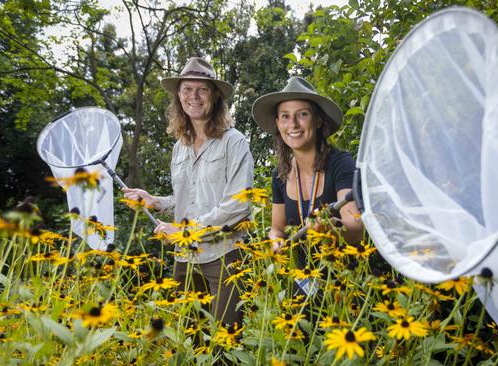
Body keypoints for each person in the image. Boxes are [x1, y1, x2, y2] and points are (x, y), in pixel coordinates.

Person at [123, 57, 253, 327]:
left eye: (201, 89)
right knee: (188, 339)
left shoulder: (235, 142)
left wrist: (186, 231)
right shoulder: (179, 148)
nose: (193, 96)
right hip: (185, 257)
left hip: (225, 255)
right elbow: (189, 201)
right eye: (186, 89)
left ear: (215, 96)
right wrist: (156, 202)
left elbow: (238, 206)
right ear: (178, 97)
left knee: (224, 342)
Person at [251, 77, 363, 263]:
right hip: (301, 279)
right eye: (285, 116)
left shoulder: (340, 163)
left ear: (318, 121)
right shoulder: (280, 175)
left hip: (343, 282)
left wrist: (330, 227)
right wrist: (275, 240)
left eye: (302, 114)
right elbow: (277, 228)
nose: (293, 124)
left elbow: (356, 229)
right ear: (278, 124)